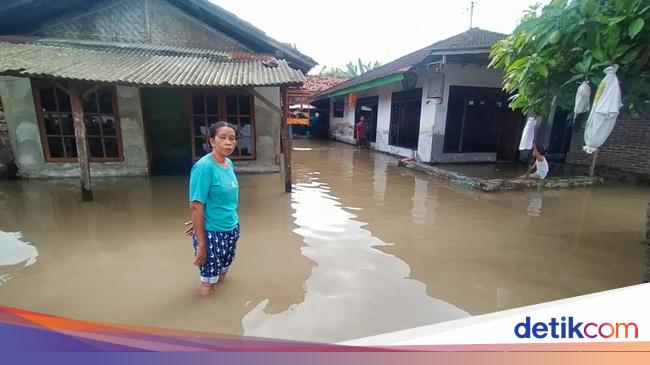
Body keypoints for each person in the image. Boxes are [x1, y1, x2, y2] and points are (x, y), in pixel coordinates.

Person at [187, 121, 240, 296]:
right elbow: (196, 205)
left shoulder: (228, 163)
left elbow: (221, 200)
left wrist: (196, 222)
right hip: (212, 233)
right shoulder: (204, 167)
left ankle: (222, 307)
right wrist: (201, 243)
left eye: (232, 138)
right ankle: (206, 318)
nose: (228, 142)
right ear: (212, 141)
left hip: (231, 227)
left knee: (223, 272)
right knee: (208, 282)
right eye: (223, 138)